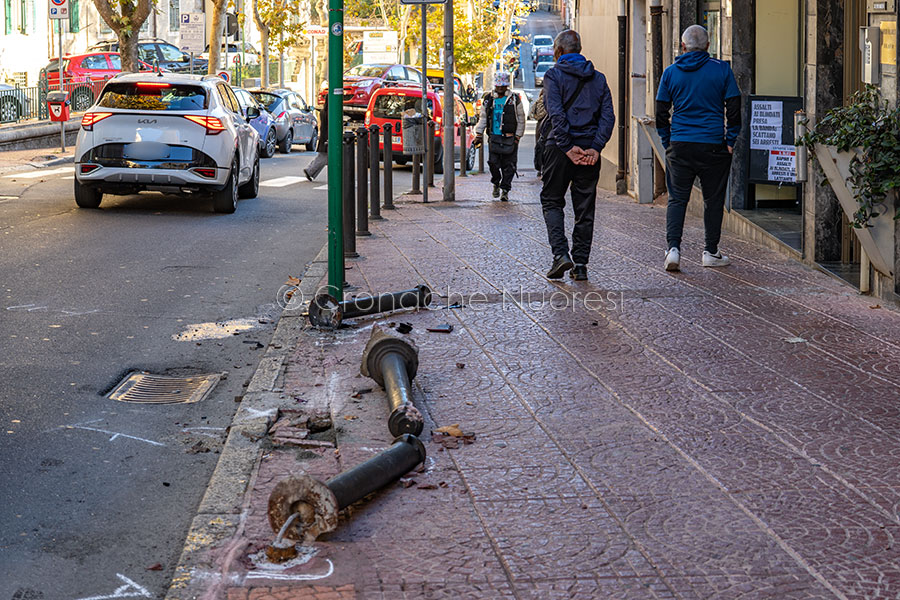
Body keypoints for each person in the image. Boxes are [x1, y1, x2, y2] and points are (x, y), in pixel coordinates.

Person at [656, 24, 742, 271]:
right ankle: (711, 252)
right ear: (708, 45)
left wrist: (667, 142)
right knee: (713, 200)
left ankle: (673, 249)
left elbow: (661, 113)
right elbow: (734, 108)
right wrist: (730, 141)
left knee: (677, 199)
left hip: (680, 144)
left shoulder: (671, 72)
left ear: (683, 46)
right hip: (713, 144)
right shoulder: (722, 70)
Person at [539, 30, 615, 280]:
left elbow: (556, 113)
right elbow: (607, 117)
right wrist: (595, 147)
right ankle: (581, 265)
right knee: (585, 208)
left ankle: (561, 255)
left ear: (558, 52)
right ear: (579, 50)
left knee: (552, 200)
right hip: (588, 153)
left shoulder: (553, 75)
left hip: (561, 150)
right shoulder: (599, 79)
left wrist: (568, 146)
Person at [474, 71, 526, 202]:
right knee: (493, 163)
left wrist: (518, 136)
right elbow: (483, 117)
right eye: (499, 86)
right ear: (495, 86)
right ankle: (496, 183)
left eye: (503, 86)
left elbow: (521, 118)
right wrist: (479, 133)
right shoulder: (488, 99)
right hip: (494, 137)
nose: (501, 88)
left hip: (510, 138)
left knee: (509, 166)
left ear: (507, 86)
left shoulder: (514, 99)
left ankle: (505, 190)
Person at [304, 100, 328, 181]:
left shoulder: (323, 112)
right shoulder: (329, 113)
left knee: (324, 157)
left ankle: (310, 171)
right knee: (323, 157)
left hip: (324, 137)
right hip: (327, 137)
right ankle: (310, 170)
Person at [529, 87, 547, 177]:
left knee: (539, 146)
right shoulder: (550, 100)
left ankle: (539, 168)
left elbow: (531, 113)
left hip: (539, 125)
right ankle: (545, 167)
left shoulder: (538, 101)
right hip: (547, 125)